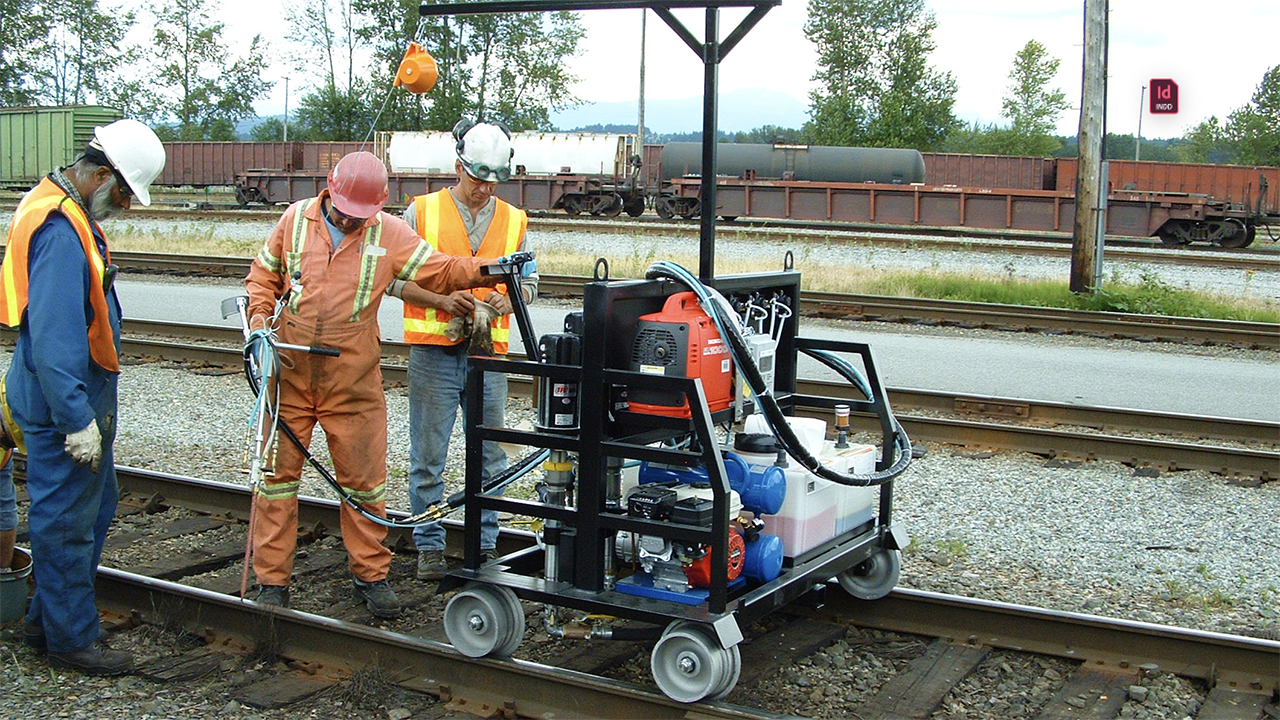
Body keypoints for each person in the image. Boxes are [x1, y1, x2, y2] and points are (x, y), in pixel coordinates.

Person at [244, 150, 507, 618]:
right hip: (288, 372)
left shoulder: (389, 232)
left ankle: (370, 576)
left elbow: (441, 269)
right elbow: (263, 277)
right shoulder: (293, 220)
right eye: (345, 212)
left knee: (364, 483)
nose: (349, 221)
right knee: (276, 480)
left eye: (360, 215)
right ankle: (271, 582)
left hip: (352, 378)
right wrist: (260, 321)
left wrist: (496, 267)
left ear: (380, 204)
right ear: (330, 188)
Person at [0, 119, 166, 675]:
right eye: (122, 192)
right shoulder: (59, 228)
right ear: (100, 174)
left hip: (72, 391)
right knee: (67, 520)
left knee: (91, 507)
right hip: (61, 399)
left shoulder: (61, 206)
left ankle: (45, 621)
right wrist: (76, 418)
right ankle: (69, 641)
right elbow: (52, 334)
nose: (123, 205)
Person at [384, 119, 537, 582]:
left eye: (492, 182)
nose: (482, 190)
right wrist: (438, 300)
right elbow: (391, 278)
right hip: (434, 353)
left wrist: (504, 299)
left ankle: (485, 545)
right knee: (429, 454)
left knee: (490, 454)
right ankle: (430, 546)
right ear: (458, 167)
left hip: (489, 354)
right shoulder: (421, 213)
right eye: (476, 179)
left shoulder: (514, 221)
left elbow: (529, 285)